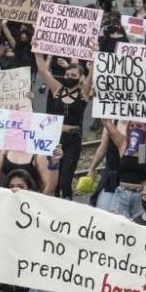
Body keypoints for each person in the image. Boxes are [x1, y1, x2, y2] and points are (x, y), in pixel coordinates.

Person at [36, 54, 92, 199]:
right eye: (67, 73)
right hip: (55, 139)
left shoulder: (83, 93)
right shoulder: (58, 89)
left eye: (73, 74)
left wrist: (95, 57)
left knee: (65, 181)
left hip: (73, 140)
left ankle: (67, 205)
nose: (69, 76)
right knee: (52, 180)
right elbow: (43, 70)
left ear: (80, 77)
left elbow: (93, 74)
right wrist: (37, 51)